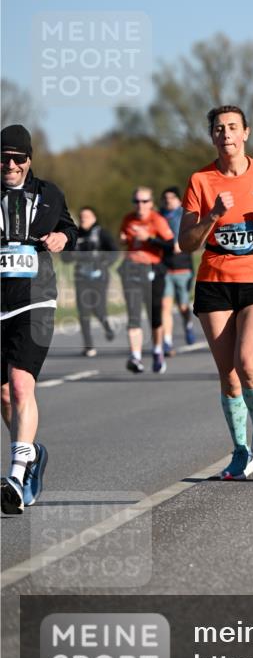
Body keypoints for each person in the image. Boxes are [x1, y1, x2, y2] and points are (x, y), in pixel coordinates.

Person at [179, 105, 253, 480]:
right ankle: (240, 450)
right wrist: (211, 216)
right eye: (218, 129)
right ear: (212, 136)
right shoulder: (201, 180)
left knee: (248, 363)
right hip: (214, 282)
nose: (225, 133)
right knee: (228, 374)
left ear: (246, 132)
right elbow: (185, 243)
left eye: (232, 127)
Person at [1, 124, 77, 514]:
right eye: (4, 158)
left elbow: (69, 227)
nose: (10, 165)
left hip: (35, 299)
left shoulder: (49, 193)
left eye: (18, 158)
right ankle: (30, 455)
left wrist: (63, 238)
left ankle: (15, 473)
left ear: (29, 159)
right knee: (4, 393)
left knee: (20, 383)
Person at [119, 187, 174, 374]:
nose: (140, 205)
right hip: (132, 269)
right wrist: (124, 239)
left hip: (153, 270)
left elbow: (171, 245)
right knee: (133, 315)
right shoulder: (128, 219)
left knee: (154, 316)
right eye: (136, 201)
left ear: (151, 203)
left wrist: (149, 238)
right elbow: (125, 239)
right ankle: (135, 356)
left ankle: (157, 350)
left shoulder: (157, 220)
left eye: (144, 201)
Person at [61, 206, 118, 356]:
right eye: (81, 217)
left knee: (98, 308)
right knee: (83, 311)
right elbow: (64, 258)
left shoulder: (101, 233)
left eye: (87, 216)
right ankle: (89, 346)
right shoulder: (75, 235)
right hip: (81, 277)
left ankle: (106, 325)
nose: (83, 219)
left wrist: (104, 261)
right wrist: (71, 255)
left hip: (99, 277)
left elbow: (114, 252)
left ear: (94, 218)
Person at [159, 187, 196, 356]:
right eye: (165, 198)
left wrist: (182, 244)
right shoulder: (158, 216)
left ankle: (188, 325)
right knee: (165, 306)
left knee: (182, 306)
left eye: (172, 198)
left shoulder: (186, 215)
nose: (168, 201)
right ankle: (167, 342)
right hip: (164, 268)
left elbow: (195, 237)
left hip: (183, 268)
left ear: (179, 200)